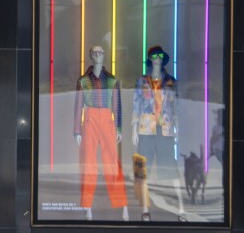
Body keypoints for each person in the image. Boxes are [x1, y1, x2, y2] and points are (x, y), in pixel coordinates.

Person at [74, 45, 129, 221]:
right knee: (88, 163)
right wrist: (77, 130)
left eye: (100, 52)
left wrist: (119, 128)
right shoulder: (83, 81)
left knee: (112, 163)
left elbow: (117, 106)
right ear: (91, 55)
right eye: (94, 52)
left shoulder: (112, 80)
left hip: (106, 120)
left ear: (104, 56)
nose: (97, 55)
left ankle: (122, 205)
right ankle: (87, 206)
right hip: (89, 119)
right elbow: (78, 107)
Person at [132, 45, 185, 221]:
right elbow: (136, 104)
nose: (157, 57)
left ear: (163, 58)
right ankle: (145, 210)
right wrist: (134, 129)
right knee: (142, 169)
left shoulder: (171, 81)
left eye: (160, 55)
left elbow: (176, 106)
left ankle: (181, 208)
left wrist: (177, 128)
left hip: (165, 128)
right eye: (154, 55)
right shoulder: (142, 81)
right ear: (150, 58)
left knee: (171, 167)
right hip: (146, 128)